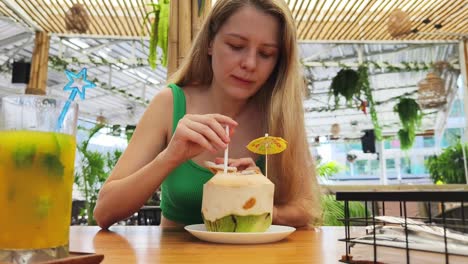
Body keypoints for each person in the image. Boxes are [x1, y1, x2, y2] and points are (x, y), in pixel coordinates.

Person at [94, 0, 321, 229]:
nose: (250, 63)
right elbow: (104, 212)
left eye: (265, 53)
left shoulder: (280, 115)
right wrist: (171, 156)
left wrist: (257, 203)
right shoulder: (171, 103)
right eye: (235, 45)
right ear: (210, 42)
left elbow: (306, 210)